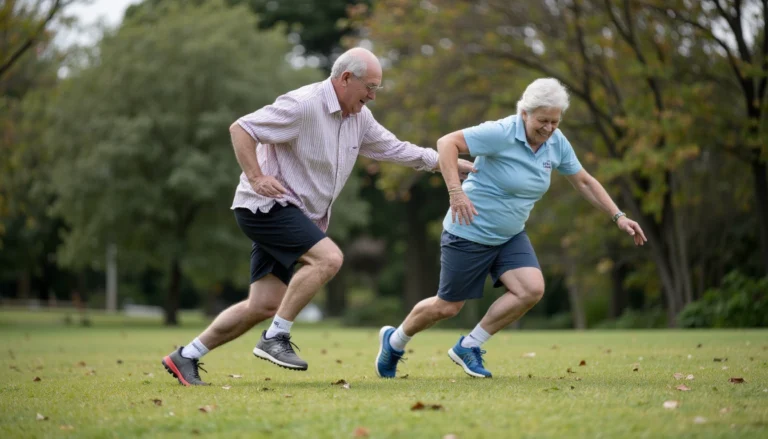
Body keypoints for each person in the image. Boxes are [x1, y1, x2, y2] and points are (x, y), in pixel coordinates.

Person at [161, 47, 475, 386]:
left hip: (295, 214)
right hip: (266, 207)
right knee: (329, 259)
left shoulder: (358, 118)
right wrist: (255, 177)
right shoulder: (303, 105)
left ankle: (186, 356)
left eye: (376, 88)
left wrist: (449, 164)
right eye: (369, 86)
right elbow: (242, 128)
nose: (372, 95)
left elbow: (397, 149)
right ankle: (275, 337)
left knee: (263, 304)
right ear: (345, 79)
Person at [375, 78, 647, 379]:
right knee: (447, 307)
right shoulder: (501, 132)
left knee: (531, 289)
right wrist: (456, 192)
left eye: (555, 122)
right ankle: (395, 341)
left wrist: (618, 216)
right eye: (542, 121)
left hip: (510, 235)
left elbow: (583, 180)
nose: (548, 128)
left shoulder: (557, 142)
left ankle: (469, 346)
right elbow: (446, 143)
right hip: (468, 231)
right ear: (525, 113)